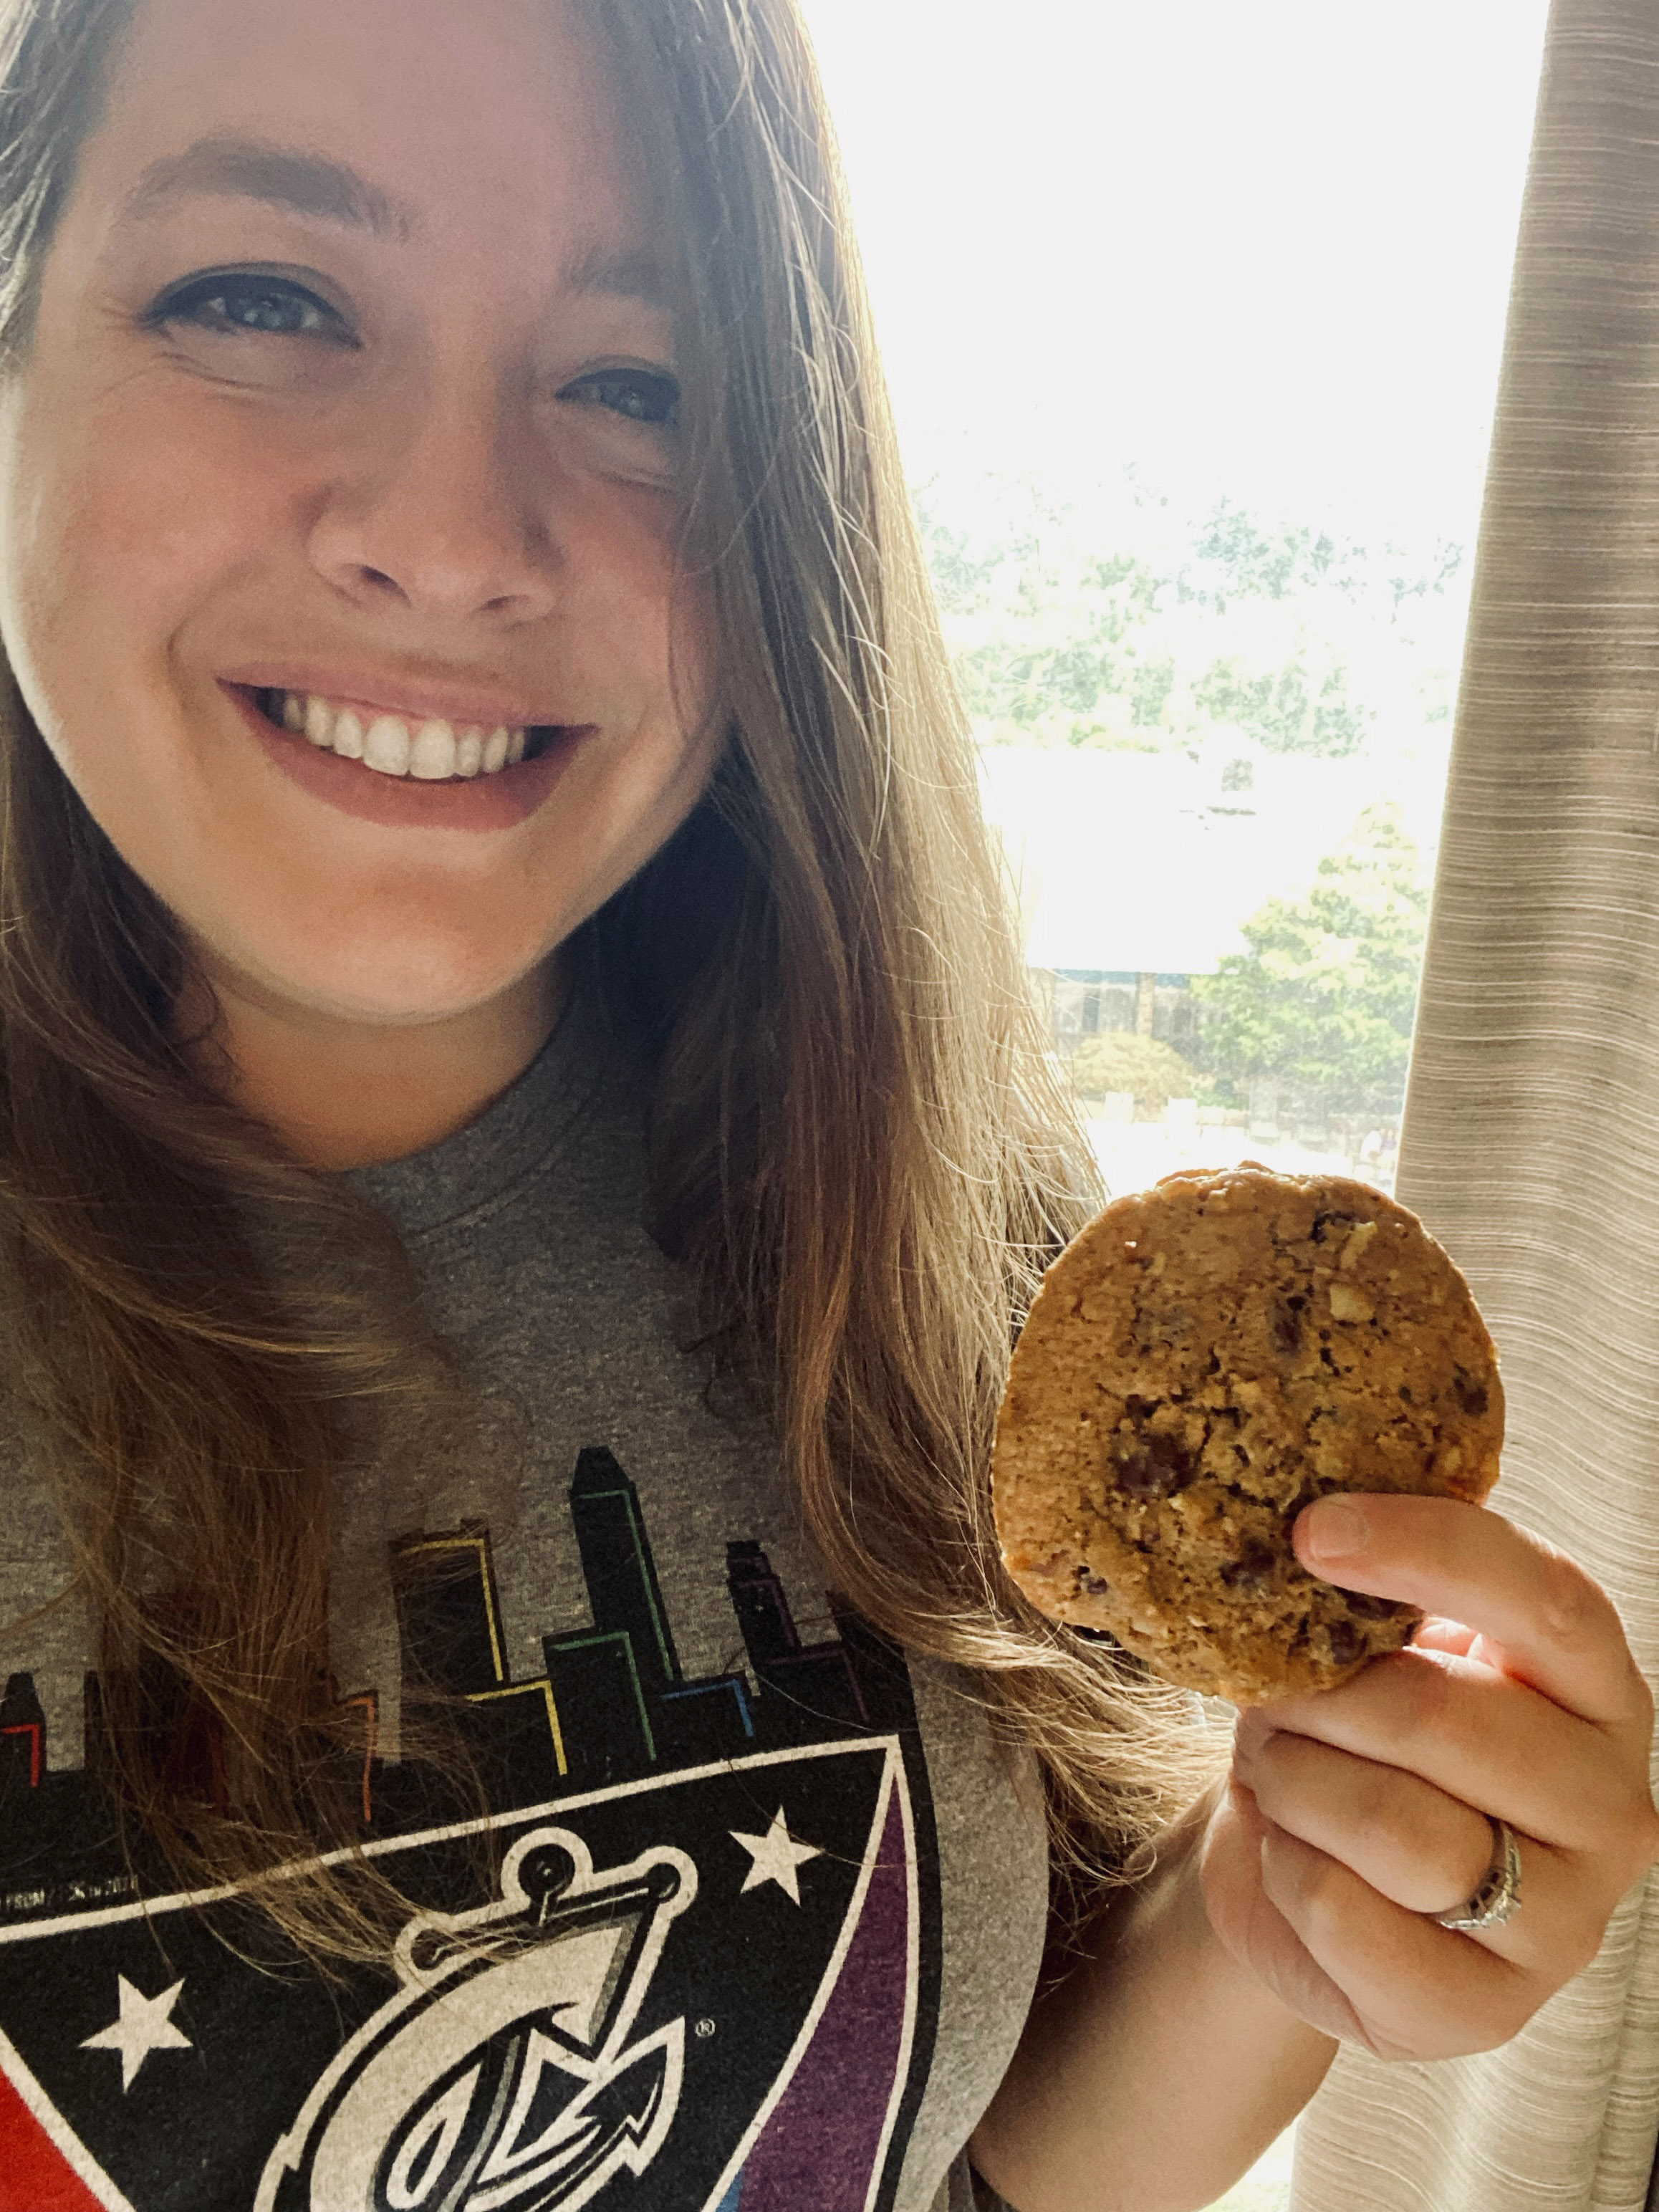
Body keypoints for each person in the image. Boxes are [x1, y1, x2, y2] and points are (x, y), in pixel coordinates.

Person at [0, 1, 1650, 2208]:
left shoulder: (918, 1235)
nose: (453, 531)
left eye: (634, 383)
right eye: (265, 299)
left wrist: (1266, 1930)